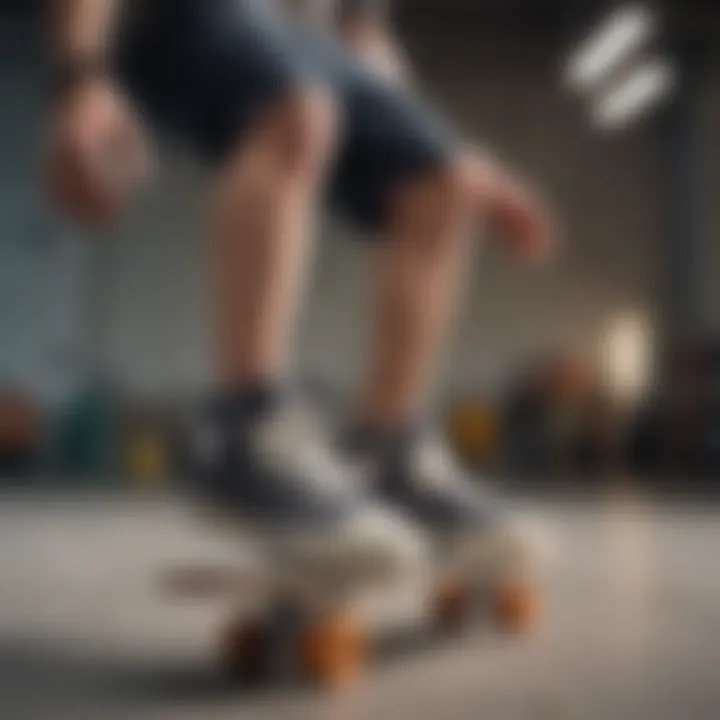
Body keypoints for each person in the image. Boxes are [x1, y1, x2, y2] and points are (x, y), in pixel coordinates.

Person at [45, 0, 555, 580]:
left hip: (313, 40)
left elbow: (364, 33)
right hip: (190, 17)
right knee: (299, 111)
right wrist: (79, 76)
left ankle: (388, 456)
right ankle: (245, 435)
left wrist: (391, 80)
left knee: (452, 185)